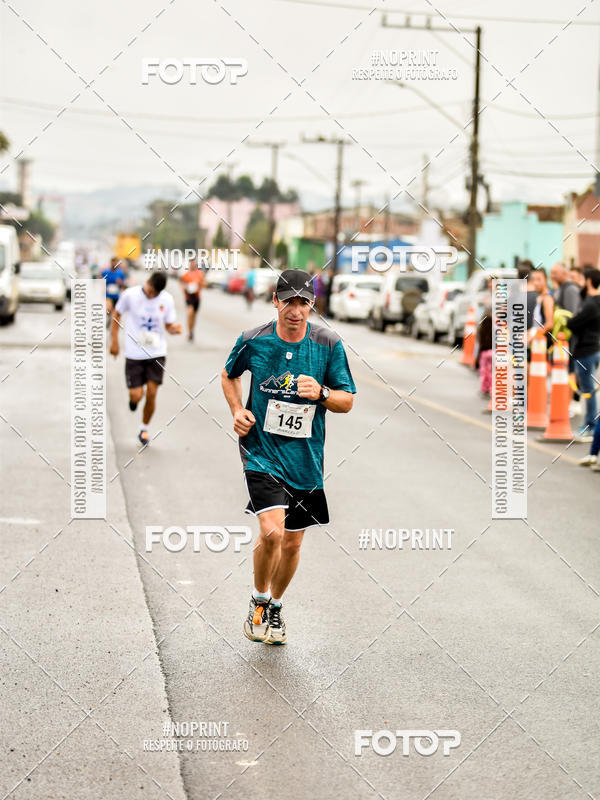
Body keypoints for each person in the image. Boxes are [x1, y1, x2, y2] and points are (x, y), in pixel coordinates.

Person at [221, 268, 356, 646]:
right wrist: (236, 409)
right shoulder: (254, 341)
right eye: (289, 301)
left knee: (293, 544)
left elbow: (347, 401)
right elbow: (228, 375)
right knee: (272, 532)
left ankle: (276, 605)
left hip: (306, 458)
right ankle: (259, 600)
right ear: (275, 301)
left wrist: (323, 393)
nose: (296, 310)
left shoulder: (329, 344)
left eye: (304, 302)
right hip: (261, 452)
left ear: (312, 305)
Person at [110, 272, 182, 446]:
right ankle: (134, 401)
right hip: (134, 353)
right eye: (150, 291)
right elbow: (116, 315)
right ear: (147, 282)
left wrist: (173, 329)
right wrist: (114, 342)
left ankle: (144, 429)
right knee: (136, 395)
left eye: (155, 294)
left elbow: (168, 325)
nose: (151, 296)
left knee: (151, 393)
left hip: (156, 352)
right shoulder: (130, 295)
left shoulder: (167, 299)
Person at [567, 268, 600, 443]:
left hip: (586, 351)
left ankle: (591, 426)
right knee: (589, 390)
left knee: (588, 391)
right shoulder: (594, 301)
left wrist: (569, 320)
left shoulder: (590, 304)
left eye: (581, 279)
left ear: (588, 281)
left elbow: (573, 323)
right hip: (594, 349)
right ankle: (590, 425)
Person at [529, 268, 555, 351]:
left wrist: (533, 335)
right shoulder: (540, 297)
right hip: (538, 343)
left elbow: (550, 324)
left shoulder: (547, 298)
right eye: (533, 280)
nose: (535, 283)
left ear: (546, 280)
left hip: (544, 345)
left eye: (539, 279)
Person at [180, 258, 205, 341]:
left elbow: (204, 283)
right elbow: (181, 282)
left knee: (193, 315)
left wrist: (199, 285)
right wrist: (184, 288)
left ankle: (192, 331)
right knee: (190, 313)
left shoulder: (199, 273)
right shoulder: (186, 274)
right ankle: (189, 332)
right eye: (191, 263)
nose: (192, 264)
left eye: (193, 263)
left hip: (196, 297)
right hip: (189, 297)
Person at [102, 257, 127, 322]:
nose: (115, 264)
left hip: (116, 295)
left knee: (114, 311)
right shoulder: (105, 272)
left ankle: (111, 319)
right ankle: (109, 317)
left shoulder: (120, 273)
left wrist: (120, 283)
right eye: (113, 262)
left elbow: (124, 285)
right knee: (108, 308)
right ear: (111, 263)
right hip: (108, 295)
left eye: (116, 262)